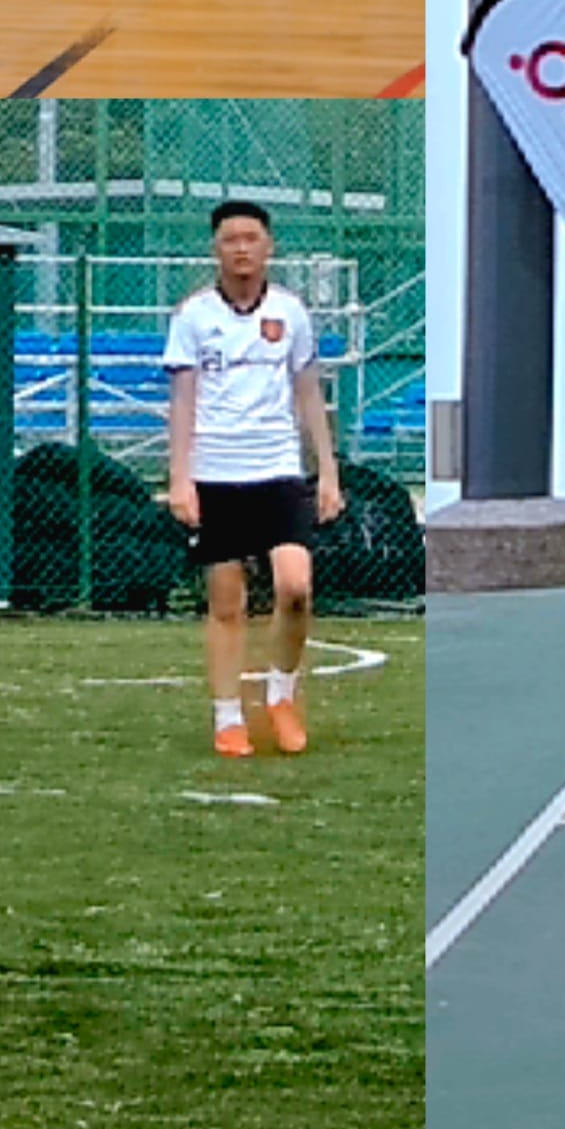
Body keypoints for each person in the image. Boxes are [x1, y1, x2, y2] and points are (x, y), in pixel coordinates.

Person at [161, 201, 344, 757]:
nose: (241, 248)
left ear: (269, 247)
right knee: (226, 601)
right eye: (230, 239)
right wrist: (180, 479)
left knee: (295, 586)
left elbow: (308, 393)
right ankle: (227, 717)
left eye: (251, 238)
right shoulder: (194, 316)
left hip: (277, 468)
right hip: (216, 471)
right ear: (215, 249)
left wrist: (327, 472)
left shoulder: (290, 312)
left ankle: (281, 694)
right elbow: (183, 401)